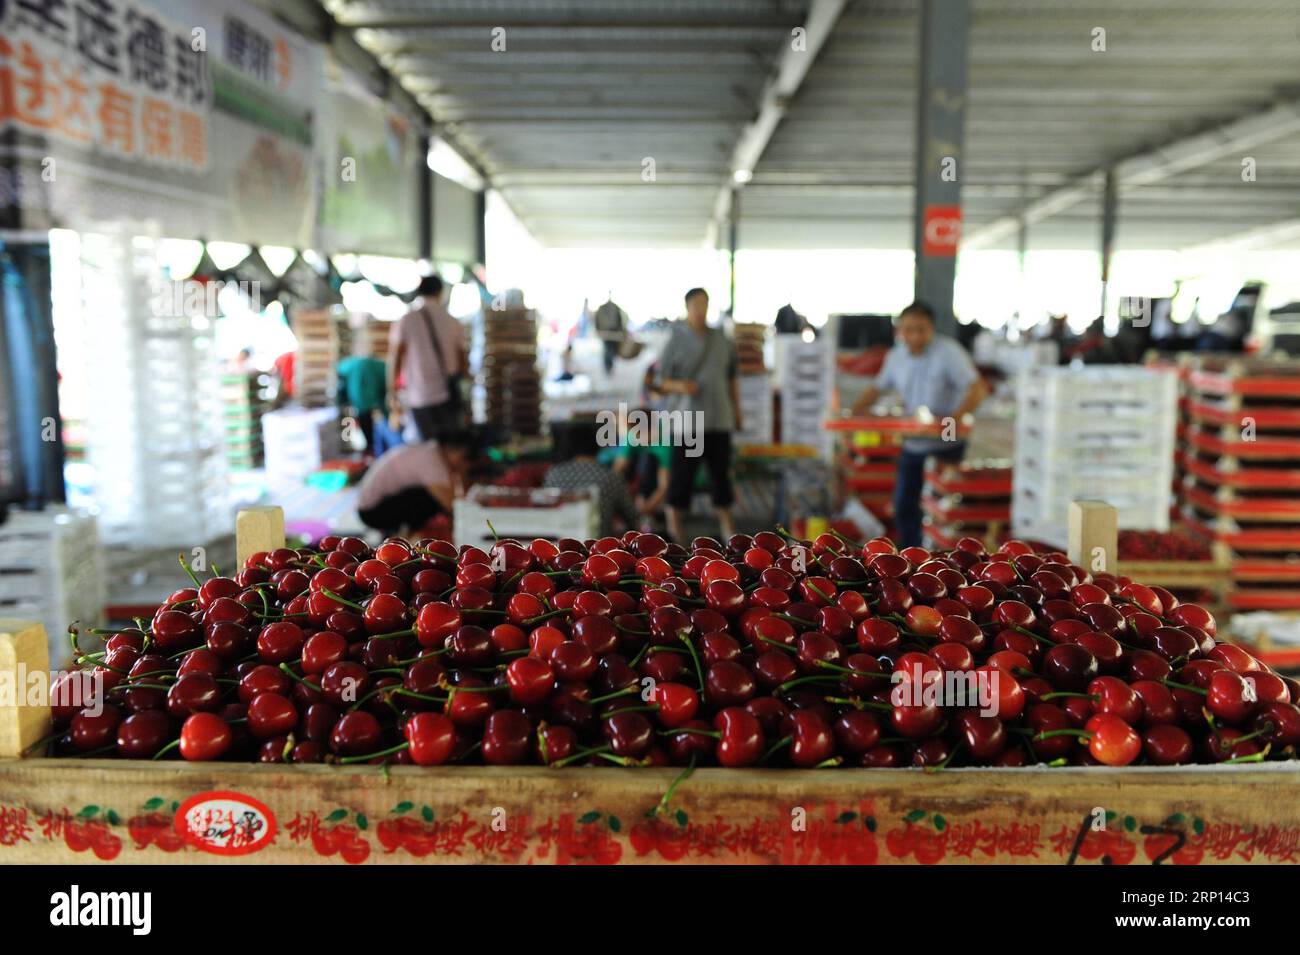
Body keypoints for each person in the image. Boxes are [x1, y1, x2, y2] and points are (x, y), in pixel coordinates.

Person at [850, 301, 988, 549]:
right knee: (904, 505)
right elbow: (878, 388)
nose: (914, 335)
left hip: (947, 440)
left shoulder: (949, 352)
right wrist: (852, 413)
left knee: (945, 510)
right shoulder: (896, 356)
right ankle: (910, 556)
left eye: (921, 329)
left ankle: (946, 559)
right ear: (899, 330)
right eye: (908, 329)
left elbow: (978, 389)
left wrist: (953, 421)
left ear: (931, 329)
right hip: (913, 443)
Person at [656, 288, 742, 542]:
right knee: (682, 477)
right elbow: (661, 382)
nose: (701, 310)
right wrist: (681, 386)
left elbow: (732, 379)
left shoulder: (722, 340)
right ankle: (676, 535)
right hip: (688, 421)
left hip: (719, 419)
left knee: (721, 476)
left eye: (705, 304)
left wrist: (737, 411)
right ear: (687, 307)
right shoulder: (676, 340)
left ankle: (729, 532)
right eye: (696, 304)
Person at [388, 275, 468, 442]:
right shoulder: (453, 321)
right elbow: (462, 361)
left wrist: (392, 393)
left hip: (419, 396)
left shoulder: (406, 320)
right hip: (448, 394)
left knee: (428, 447)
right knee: (449, 447)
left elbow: (395, 359)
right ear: (440, 292)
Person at [355, 431, 473, 538]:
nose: (465, 464)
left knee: (430, 495)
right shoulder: (433, 461)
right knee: (432, 499)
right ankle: (406, 536)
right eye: (464, 458)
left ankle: (406, 532)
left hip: (370, 504)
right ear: (454, 450)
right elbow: (452, 506)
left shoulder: (431, 449)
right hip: (371, 511)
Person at [544, 420, 638, 537]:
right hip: (599, 549)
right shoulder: (610, 477)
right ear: (598, 445)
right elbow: (632, 518)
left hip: (559, 548)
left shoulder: (553, 474)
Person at [337, 347, 387, 456]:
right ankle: (376, 451)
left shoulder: (347, 365)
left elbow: (341, 386)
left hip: (360, 402)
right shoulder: (379, 365)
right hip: (375, 403)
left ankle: (370, 450)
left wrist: (342, 401)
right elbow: (386, 385)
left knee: (366, 427)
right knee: (378, 429)